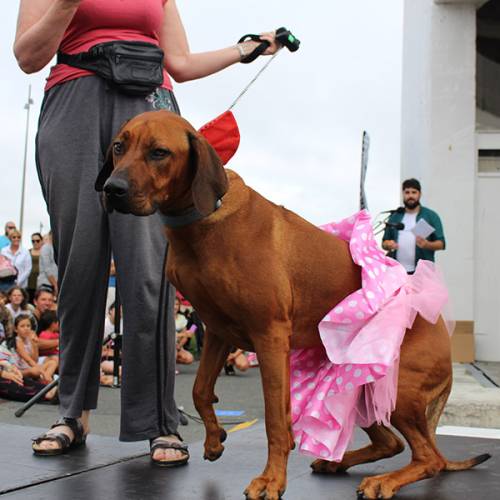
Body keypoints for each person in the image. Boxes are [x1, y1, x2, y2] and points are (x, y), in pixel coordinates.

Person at [15, 0, 279, 464]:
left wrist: (245, 49)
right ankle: (73, 413)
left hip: (148, 103)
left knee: (150, 273)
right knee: (80, 263)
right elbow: (28, 57)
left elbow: (180, 62)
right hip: (75, 100)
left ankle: (160, 421)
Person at [382, 178, 446, 274]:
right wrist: (388, 244)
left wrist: (427, 244)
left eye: (414, 192)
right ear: (403, 194)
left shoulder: (430, 216)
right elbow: (384, 243)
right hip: (397, 272)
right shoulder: (395, 216)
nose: (410, 196)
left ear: (419, 194)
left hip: (422, 273)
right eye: (407, 192)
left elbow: (441, 244)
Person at [37, 231, 58, 296]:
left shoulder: (54, 248)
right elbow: (47, 269)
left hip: (53, 283)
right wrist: (55, 285)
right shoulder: (46, 248)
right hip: (46, 283)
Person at [27, 232, 44, 302]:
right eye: (33, 241)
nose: (35, 242)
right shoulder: (28, 252)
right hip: (29, 280)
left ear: (41, 240)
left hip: (41, 280)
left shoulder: (45, 252)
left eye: (37, 240)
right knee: (30, 299)